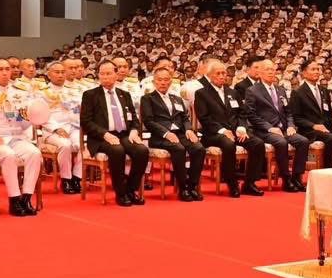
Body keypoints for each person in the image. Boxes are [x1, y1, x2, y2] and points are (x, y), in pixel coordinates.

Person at [0, 59, 44, 215]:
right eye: (0, 69)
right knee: (8, 155)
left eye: (7, 69)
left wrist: (31, 119)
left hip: (16, 137)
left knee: (35, 153)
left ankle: (26, 198)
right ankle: (14, 200)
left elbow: (23, 123)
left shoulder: (20, 92)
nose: (5, 72)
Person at [80, 59, 149, 206]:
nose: (105, 77)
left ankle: (131, 189)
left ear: (116, 75)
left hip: (124, 135)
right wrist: (105, 134)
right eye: (102, 74)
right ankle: (121, 193)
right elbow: (86, 122)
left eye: (108, 73)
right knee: (117, 151)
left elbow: (134, 118)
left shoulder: (125, 94)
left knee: (142, 150)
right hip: (101, 137)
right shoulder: (90, 95)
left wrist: (134, 131)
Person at [194, 58, 266, 197]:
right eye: (218, 73)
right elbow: (204, 118)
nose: (222, 76)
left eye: (224, 73)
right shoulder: (202, 93)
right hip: (213, 134)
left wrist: (241, 127)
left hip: (235, 131)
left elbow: (242, 113)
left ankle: (249, 183)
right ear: (210, 76)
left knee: (257, 143)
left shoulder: (232, 92)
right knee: (228, 144)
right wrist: (222, 131)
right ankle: (232, 183)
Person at [141, 65, 205, 201]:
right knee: (179, 148)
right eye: (159, 80)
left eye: (166, 80)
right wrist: (166, 133)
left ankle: (192, 186)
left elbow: (184, 118)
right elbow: (148, 121)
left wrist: (189, 129)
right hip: (160, 136)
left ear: (170, 81)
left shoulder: (177, 99)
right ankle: (183, 188)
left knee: (199, 148)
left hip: (180, 134)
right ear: (154, 82)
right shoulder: (147, 99)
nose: (163, 83)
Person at [244, 59, 308, 193]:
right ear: (260, 73)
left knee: (303, 141)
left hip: (283, 129)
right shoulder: (252, 90)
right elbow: (251, 115)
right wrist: (269, 127)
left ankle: (296, 177)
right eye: (267, 70)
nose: (271, 72)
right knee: (281, 142)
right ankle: (286, 179)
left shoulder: (280, 90)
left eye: (273, 70)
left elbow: (288, 112)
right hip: (264, 130)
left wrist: (290, 125)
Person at [290, 58, 332, 169]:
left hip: (326, 127)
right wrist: (313, 125)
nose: (317, 72)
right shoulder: (297, 92)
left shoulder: (323, 90)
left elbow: (329, 113)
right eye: (313, 69)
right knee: (331, 138)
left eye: (318, 69)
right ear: (304, 73)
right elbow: (296, 118)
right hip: (309, 130)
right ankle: (326, 169)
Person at [37, 61, 83, 196]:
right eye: (57, 72)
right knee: (65, 145)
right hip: (52, 130)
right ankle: (66, 179)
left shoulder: (73, 91)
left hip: (73, 127)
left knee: (84, 145)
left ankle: (77, 178)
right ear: (49, 74)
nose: (60, 75)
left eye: (63, 72)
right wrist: (56, 128)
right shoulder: (42, 92)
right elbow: (41, 115)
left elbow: (78, 111)